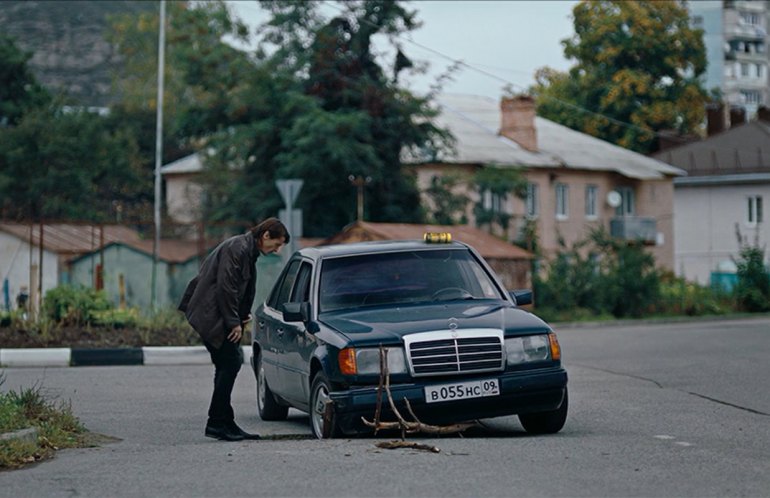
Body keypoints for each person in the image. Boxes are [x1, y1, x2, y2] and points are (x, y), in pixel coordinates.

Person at [179, 218, 290, 441]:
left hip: (218, 315)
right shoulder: (238, 248)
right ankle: (217, 423)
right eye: (276, 244)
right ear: (266, 235)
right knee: (230, 362)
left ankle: (224, 422)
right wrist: (233, 322)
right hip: (213, 316)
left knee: (226, 365)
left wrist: (242, 314)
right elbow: (226, 287)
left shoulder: (248, 250)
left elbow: (240, 288)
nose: (277, 250)